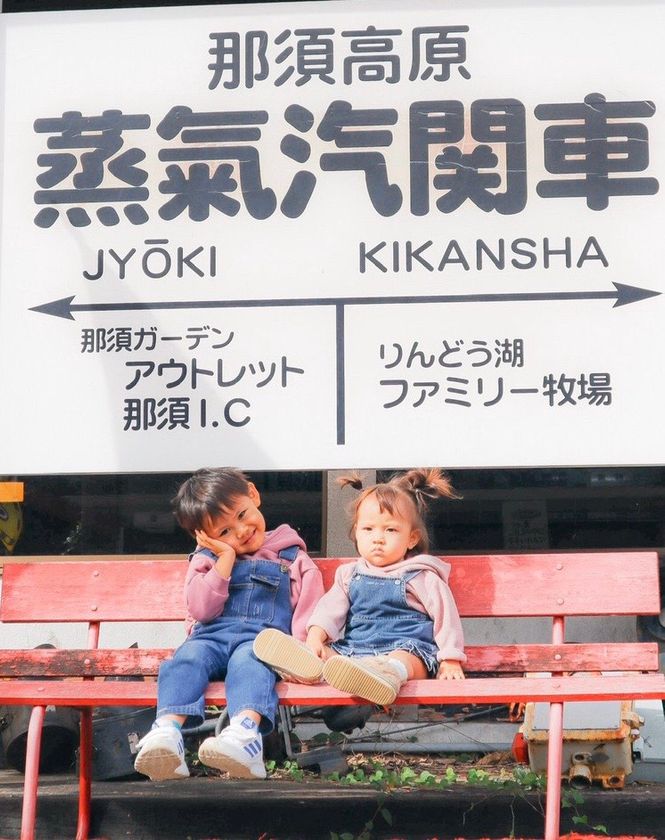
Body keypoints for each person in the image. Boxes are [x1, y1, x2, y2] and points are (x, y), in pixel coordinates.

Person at [133, 467, 324, 781]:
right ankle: (167, 734)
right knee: (185, 659)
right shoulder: (206, 560)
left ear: (253, 495)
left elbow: (309, 606)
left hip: (261, 642)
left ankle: (244, 737)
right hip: (210, 639)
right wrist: (224, 560)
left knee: (250, 663)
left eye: (242, 515)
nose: (241, 531)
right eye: (224, 532)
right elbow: (201, 609)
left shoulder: (290, 556)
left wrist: (302, 651)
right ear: (205, 537)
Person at [253, 468, 465, 707]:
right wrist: (315, 638)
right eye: (368, 529)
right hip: (355, 651)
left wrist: (450, 659)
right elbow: (329, 611)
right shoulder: (350, 574)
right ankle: (309, 666)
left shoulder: (422, 575)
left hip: (407, 648)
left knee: (404, 660)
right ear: (356, 532)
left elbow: (446, 618)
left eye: (391, 530)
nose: (378, 538)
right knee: (330, 655)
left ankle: (387, 674)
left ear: (412, 539)